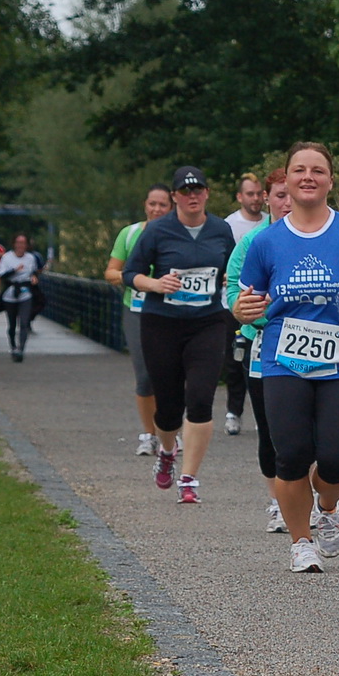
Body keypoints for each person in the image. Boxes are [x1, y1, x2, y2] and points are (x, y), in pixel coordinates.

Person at [236, 144, 339, 572]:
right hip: (284, 359)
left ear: (330, 181)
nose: (308, 177)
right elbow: (244, 298)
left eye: (318, 170)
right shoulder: (266, 241)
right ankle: (301, 542)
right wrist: (240, 310)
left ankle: (327, 506)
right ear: (285, 180)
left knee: (338, 457)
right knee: (289, 454)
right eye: (299, 170)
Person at [122, 166, 238, 504]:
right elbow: (130, 273)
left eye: (198, 190)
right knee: (169, 407)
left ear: (206, 194)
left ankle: (189, 479)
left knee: (201, 398)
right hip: (162, 323)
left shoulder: (221, 230)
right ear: (174, 196)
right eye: (185, 191)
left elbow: (231, 270)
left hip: (207, 323)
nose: (192, 196)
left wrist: (234, 292)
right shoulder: (158, 231)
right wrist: (156, 284)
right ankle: (167, 451)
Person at [225, 168, 295, 534]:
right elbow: (232, 292)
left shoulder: (319, 236)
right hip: (264, 341)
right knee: (269, 428)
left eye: (291, 194)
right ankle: (276, 502)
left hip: (316, 346)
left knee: (312, 429)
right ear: (266, 199)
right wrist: (244, 308)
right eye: (279, 195)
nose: (287, 202)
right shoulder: (252, 242)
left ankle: (310, 499)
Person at [105, 182, 176, 456]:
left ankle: (170, 432)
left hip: (172, 312)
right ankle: (148, 434)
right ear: (145, 205)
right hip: (136, 310)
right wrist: (139, 281)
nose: (157, 209)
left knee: (171, 375)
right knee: (145, 376)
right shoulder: (130, 233)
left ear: (171, 207)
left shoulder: (179, 234)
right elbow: (111, 272)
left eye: (162, 205)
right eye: (152, 204)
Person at [221, 173, 268, 435]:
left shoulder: (272, 225)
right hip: (236, 301)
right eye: (249, 194)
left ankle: (265, 414)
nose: (255, 199)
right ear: (240, 197)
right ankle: (233, 411)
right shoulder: (230, 225)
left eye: (258, 193)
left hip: (265, 305)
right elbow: (225, 262)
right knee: (234, 358)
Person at [0, 233, 40, 362]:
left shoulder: (30, 258)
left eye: (23, 243)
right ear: (14, 244)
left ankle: (21, 349)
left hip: (25, 293)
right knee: (12, 324)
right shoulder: (6, 258)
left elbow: (33, 272)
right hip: (10, 294)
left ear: (26, 245)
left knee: (24, 322)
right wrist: (15, 270)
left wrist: (34, 277)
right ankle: (13, 346)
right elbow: (2, 275)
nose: (21, 246)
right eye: (18, 243)